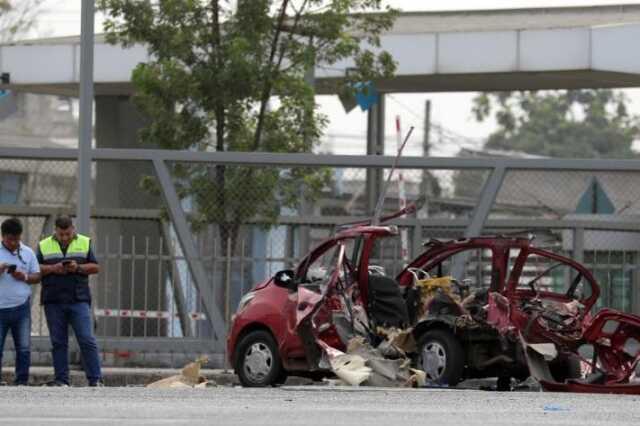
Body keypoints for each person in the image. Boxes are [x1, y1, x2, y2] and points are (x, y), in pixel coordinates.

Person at [37, 216, 102, 387]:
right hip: (53, 300)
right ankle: (61, 380)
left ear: (73, 229)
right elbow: (35, 269)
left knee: (87, 340)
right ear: (55, 231)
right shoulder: (44, 245)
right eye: (61, 234)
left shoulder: (85, 242)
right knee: (58, 342)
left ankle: (95, 379)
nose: (64, 237)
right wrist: (53, 268)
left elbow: (95, 267)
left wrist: (78, 267)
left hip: (78, 299)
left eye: (67, 234)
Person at [0, 218, 41, 386]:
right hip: (0, 307)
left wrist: (23, 276)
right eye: (10, 239)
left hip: (21, 308)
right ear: (3, 237)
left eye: (16, 239)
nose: (14, 243)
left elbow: (37, 276)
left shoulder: (28, 252)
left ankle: (21, 381)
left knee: (23, 347)